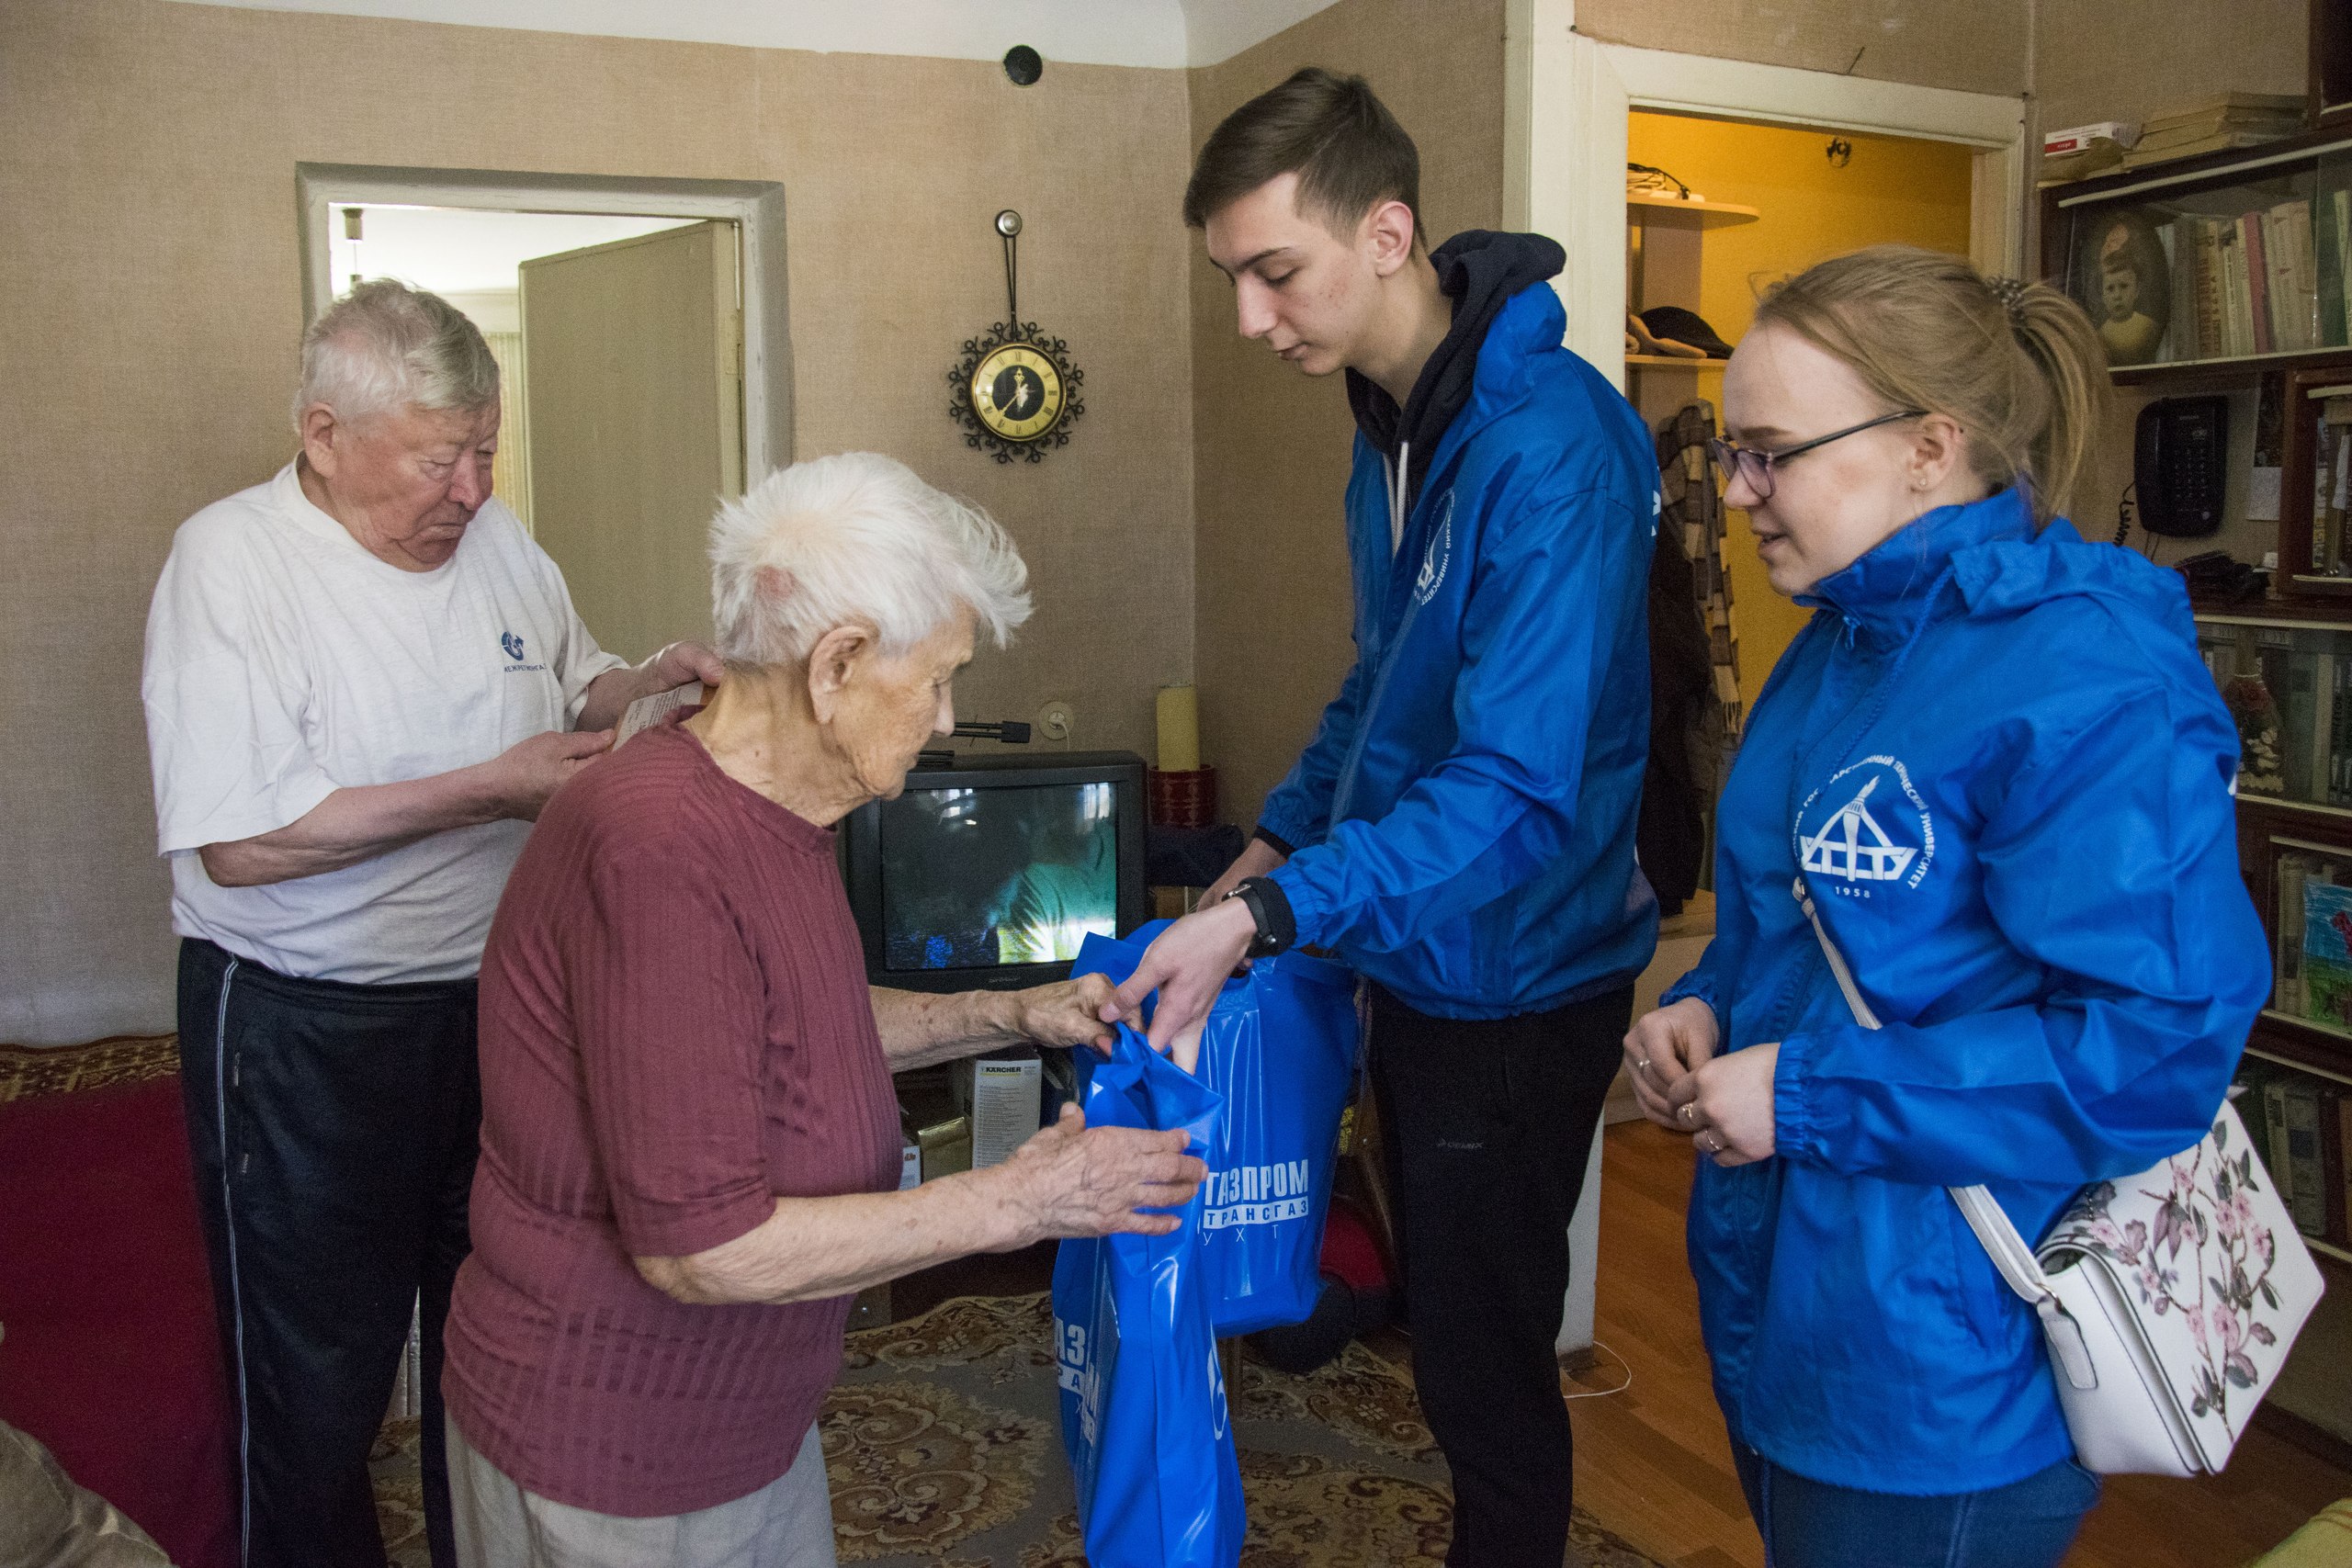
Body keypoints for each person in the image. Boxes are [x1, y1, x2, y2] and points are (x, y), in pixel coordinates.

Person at [437, 452, 1206, 1568]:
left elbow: (786, 1028)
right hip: (618, 1445)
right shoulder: (660, 848)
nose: (946, 715)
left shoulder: (768, 808)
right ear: (836, 662)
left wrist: (1015, 1013)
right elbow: (702, 1249)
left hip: (737, 1421)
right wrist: (1024, 1198)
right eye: (937, 679)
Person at [1620, 245, 2268, 1567]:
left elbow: (2151, 1050)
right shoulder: (1840, 640)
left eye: (1770, 454)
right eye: (1735, 453)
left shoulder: (2087, 680)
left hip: (1947, 1360)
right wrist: (1702, 1007)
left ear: (1929, 445)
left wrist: (1804, 1093)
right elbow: (1809, 934)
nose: (1734, 492)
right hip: (1791, 1296)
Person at [1111, 69, 1659, 1568]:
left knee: (1488, 1361)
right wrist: (1269, 846)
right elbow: (1383, 686)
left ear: (1388, 233)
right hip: (1415, 949)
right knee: (1440, 1322)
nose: (1250, 317)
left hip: (1516, 978)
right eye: (1232, 278)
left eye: (1273, 272)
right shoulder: (1392, 422)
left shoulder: (1552, 446)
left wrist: (1271, 911)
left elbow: (1515, 784)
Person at [141, 279, 719, 1568]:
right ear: (323, 434)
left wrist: (646, 686)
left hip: (499, 1011)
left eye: (485, 450)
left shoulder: (496, 537)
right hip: (303, 1027)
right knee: (315, 1381)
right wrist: (489, 790)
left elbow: (574, 681)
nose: (471, 489)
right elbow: (241, 843)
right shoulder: (230, 563)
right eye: (437, 460)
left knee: (496, 1345)